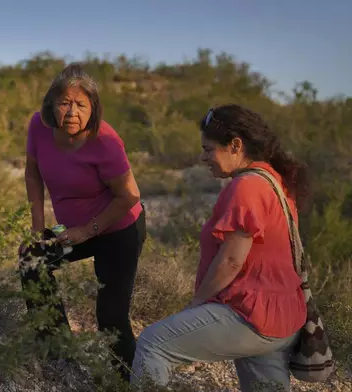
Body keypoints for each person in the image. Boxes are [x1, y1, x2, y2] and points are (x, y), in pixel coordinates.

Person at [131, 104, 309, 392]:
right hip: (282, 316)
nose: (203, 157)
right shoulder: (272, 180)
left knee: (153, 345)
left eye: (208, 149)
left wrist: (197, 302)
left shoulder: (247, 186)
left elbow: (230, 261)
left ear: (235, 145)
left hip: (251, 315)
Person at [19, 63, 147, 382]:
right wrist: (38, 228)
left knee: (111, 317)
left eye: (81, 104)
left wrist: (85, 231)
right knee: (33, 258)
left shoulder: (105, 141)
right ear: (51, 105)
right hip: (73, 232)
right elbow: (33, 171)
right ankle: (57, 354)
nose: (72, 112)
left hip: (118, 229)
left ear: (94, 108)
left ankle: (128, 382)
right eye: (65, 103)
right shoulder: (38, 126)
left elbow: (129, 196)